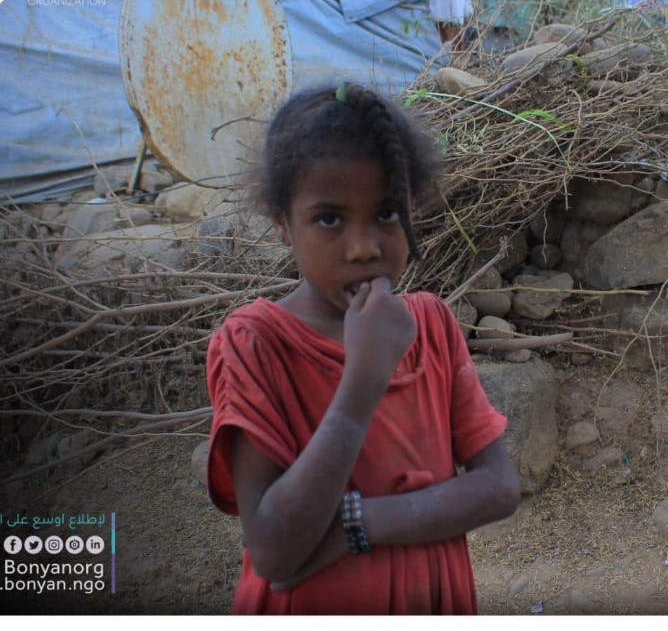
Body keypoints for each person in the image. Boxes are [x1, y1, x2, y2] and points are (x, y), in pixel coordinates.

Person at [204, 83, 520, 614]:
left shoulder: (432, 325)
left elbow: (498, 487)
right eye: (329, 218)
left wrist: (353, 526)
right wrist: (363, 380)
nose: (364, 247)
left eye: (387, 213)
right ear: (283, 223)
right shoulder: (255, 343)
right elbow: (275, 549)